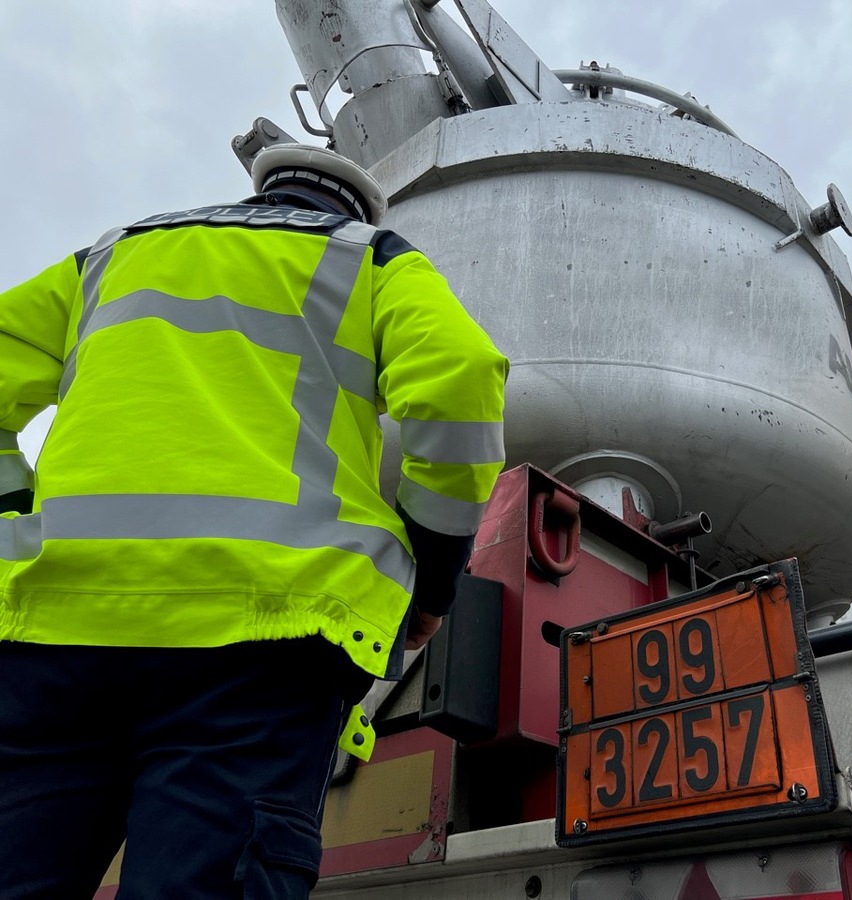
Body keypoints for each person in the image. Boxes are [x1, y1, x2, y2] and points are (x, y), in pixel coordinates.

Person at [0, 143, 508, 898]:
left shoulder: (116, 254)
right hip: (258, 644)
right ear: (357, 208)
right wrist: (433, 582)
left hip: (56, 631)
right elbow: (461, 383)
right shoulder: (371, 258)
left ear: (262, 189)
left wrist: (16, 513)